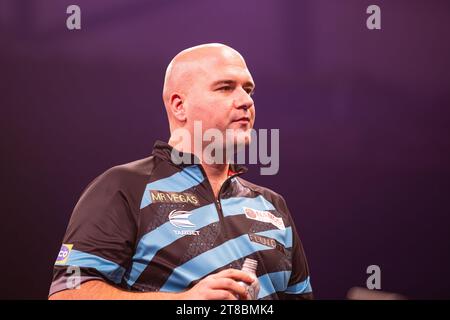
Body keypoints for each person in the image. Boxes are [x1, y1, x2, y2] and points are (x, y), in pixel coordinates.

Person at [48, 43, 312, 300]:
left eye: (249, 90)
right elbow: (68, 294)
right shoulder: (124, 187)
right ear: (179, 106)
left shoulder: (272, 206)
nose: (245, 101)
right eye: (225, 87)